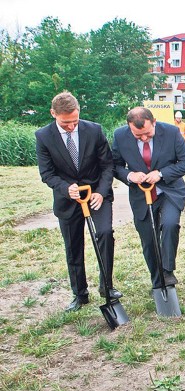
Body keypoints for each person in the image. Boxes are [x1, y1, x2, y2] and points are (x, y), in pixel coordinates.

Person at [35, 91, 122, 312]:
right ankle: (79, 294)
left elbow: (107, 165)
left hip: (96, 195)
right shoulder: (43, 136)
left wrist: (101, 192)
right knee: (73, 247)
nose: (71, 127)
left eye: (74, 121)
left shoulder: (94, 130)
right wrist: (66, 188)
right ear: (53, 114)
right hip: (68, 200)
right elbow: (47, 173)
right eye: (66, 123)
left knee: (104, 234)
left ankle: (107, 286)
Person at [112, 107, 185, 292]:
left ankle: (167, 271)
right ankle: (157, 282)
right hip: (141, 196)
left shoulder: (172, 132)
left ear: (154, 122)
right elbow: (115, 166)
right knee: (149, 240)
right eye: (137, 135)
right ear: (129, 127)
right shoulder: (120, 136)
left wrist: (161, 173)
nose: (143, 138)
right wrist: (129, 175)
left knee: (169, 225)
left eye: (147, 134)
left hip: (169, 191)